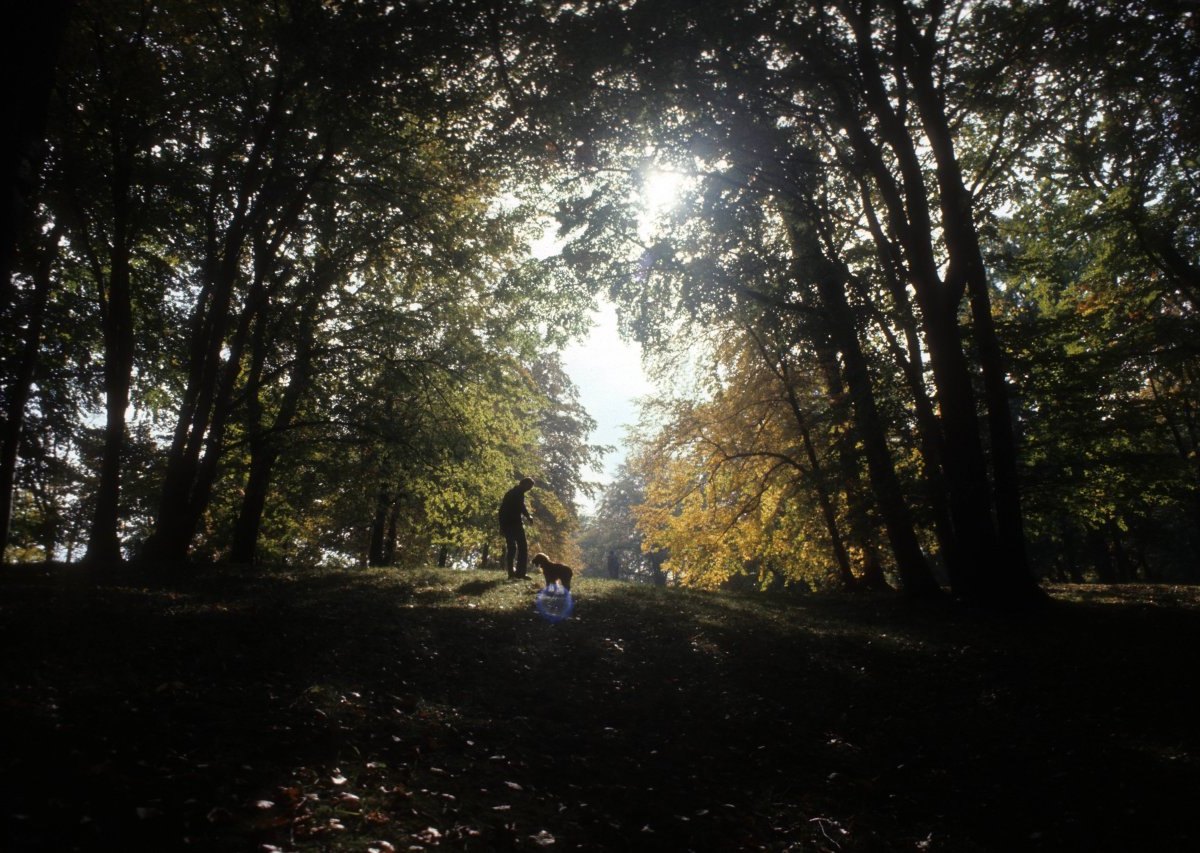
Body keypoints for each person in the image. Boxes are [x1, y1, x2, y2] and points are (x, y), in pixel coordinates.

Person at [498, 477, 535, 579]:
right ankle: (513, 573)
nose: (529, 489)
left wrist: (528, 516)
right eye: (529, 487)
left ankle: (519, 573)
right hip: (509, 524)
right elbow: (503, 510)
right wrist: (502, 526)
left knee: (520, 547)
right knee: (513, 547)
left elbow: (521, 506)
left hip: (516, 523)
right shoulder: (512, 493)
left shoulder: (519, 493)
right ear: (523, 484)